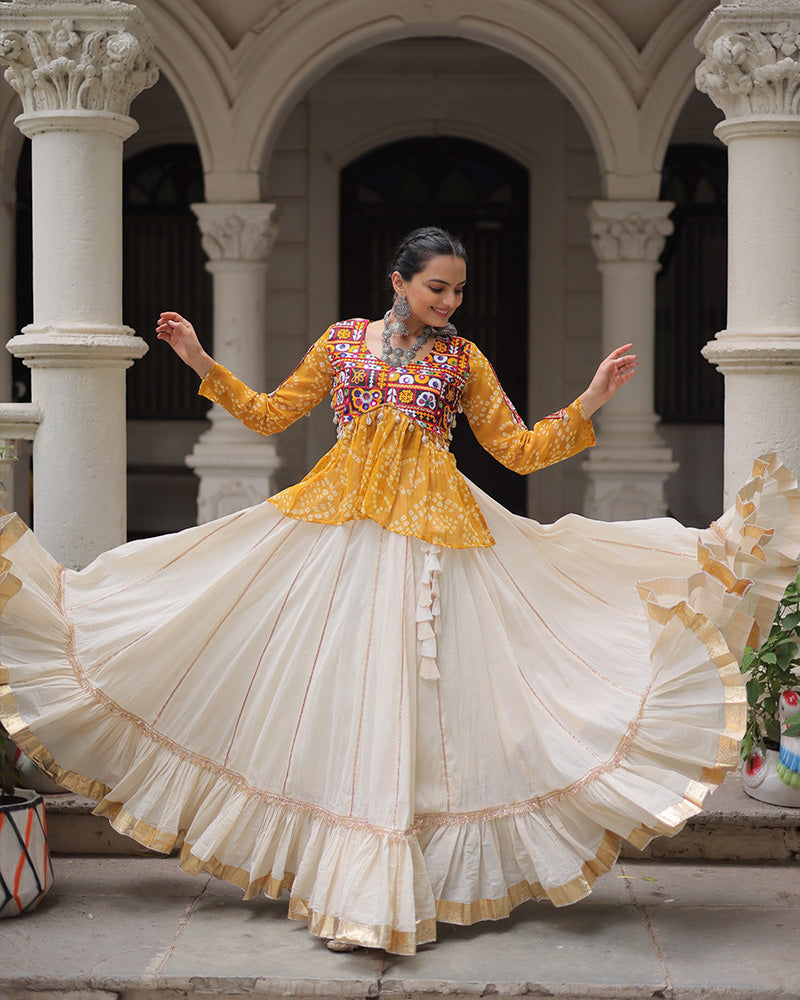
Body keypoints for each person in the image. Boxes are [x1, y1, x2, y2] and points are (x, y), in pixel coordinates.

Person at [1, 227, 798, 955]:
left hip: (436, 544)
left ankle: (403, 882)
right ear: (399, 282)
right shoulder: (343, 342)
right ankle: (347, 882)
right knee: (330, 689)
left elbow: (517, 450)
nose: (449, 302)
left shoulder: (462, 360)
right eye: (436, 288)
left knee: (425, 707)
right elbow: (273, 415)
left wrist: (591, 400)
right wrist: (200, 360)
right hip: (338, 533)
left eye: (458, 291)